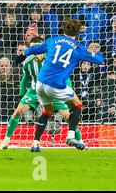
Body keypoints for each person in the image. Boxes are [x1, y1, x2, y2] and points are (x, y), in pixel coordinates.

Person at [24, 18, 105, 150]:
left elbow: (34, 50)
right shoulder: (78, 48)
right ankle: (71, 136)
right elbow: (100, 60)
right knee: (77, 105)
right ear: (78, 33)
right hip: (56, 85)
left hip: (40, 82)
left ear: (64, 29)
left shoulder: (53, 40)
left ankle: (35, 143)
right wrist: (94, 51)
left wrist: (24, 54)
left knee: (46, 112)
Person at [0, 36, 83, 151]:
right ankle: (5, 141)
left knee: (68, 117)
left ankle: (80, 141)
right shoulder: (28, 62)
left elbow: (64, 76)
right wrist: (21, 96)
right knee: (18, 112)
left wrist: (68, 92)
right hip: (34, 91)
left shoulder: (53, 59)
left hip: (53, 90)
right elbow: (25, 78)